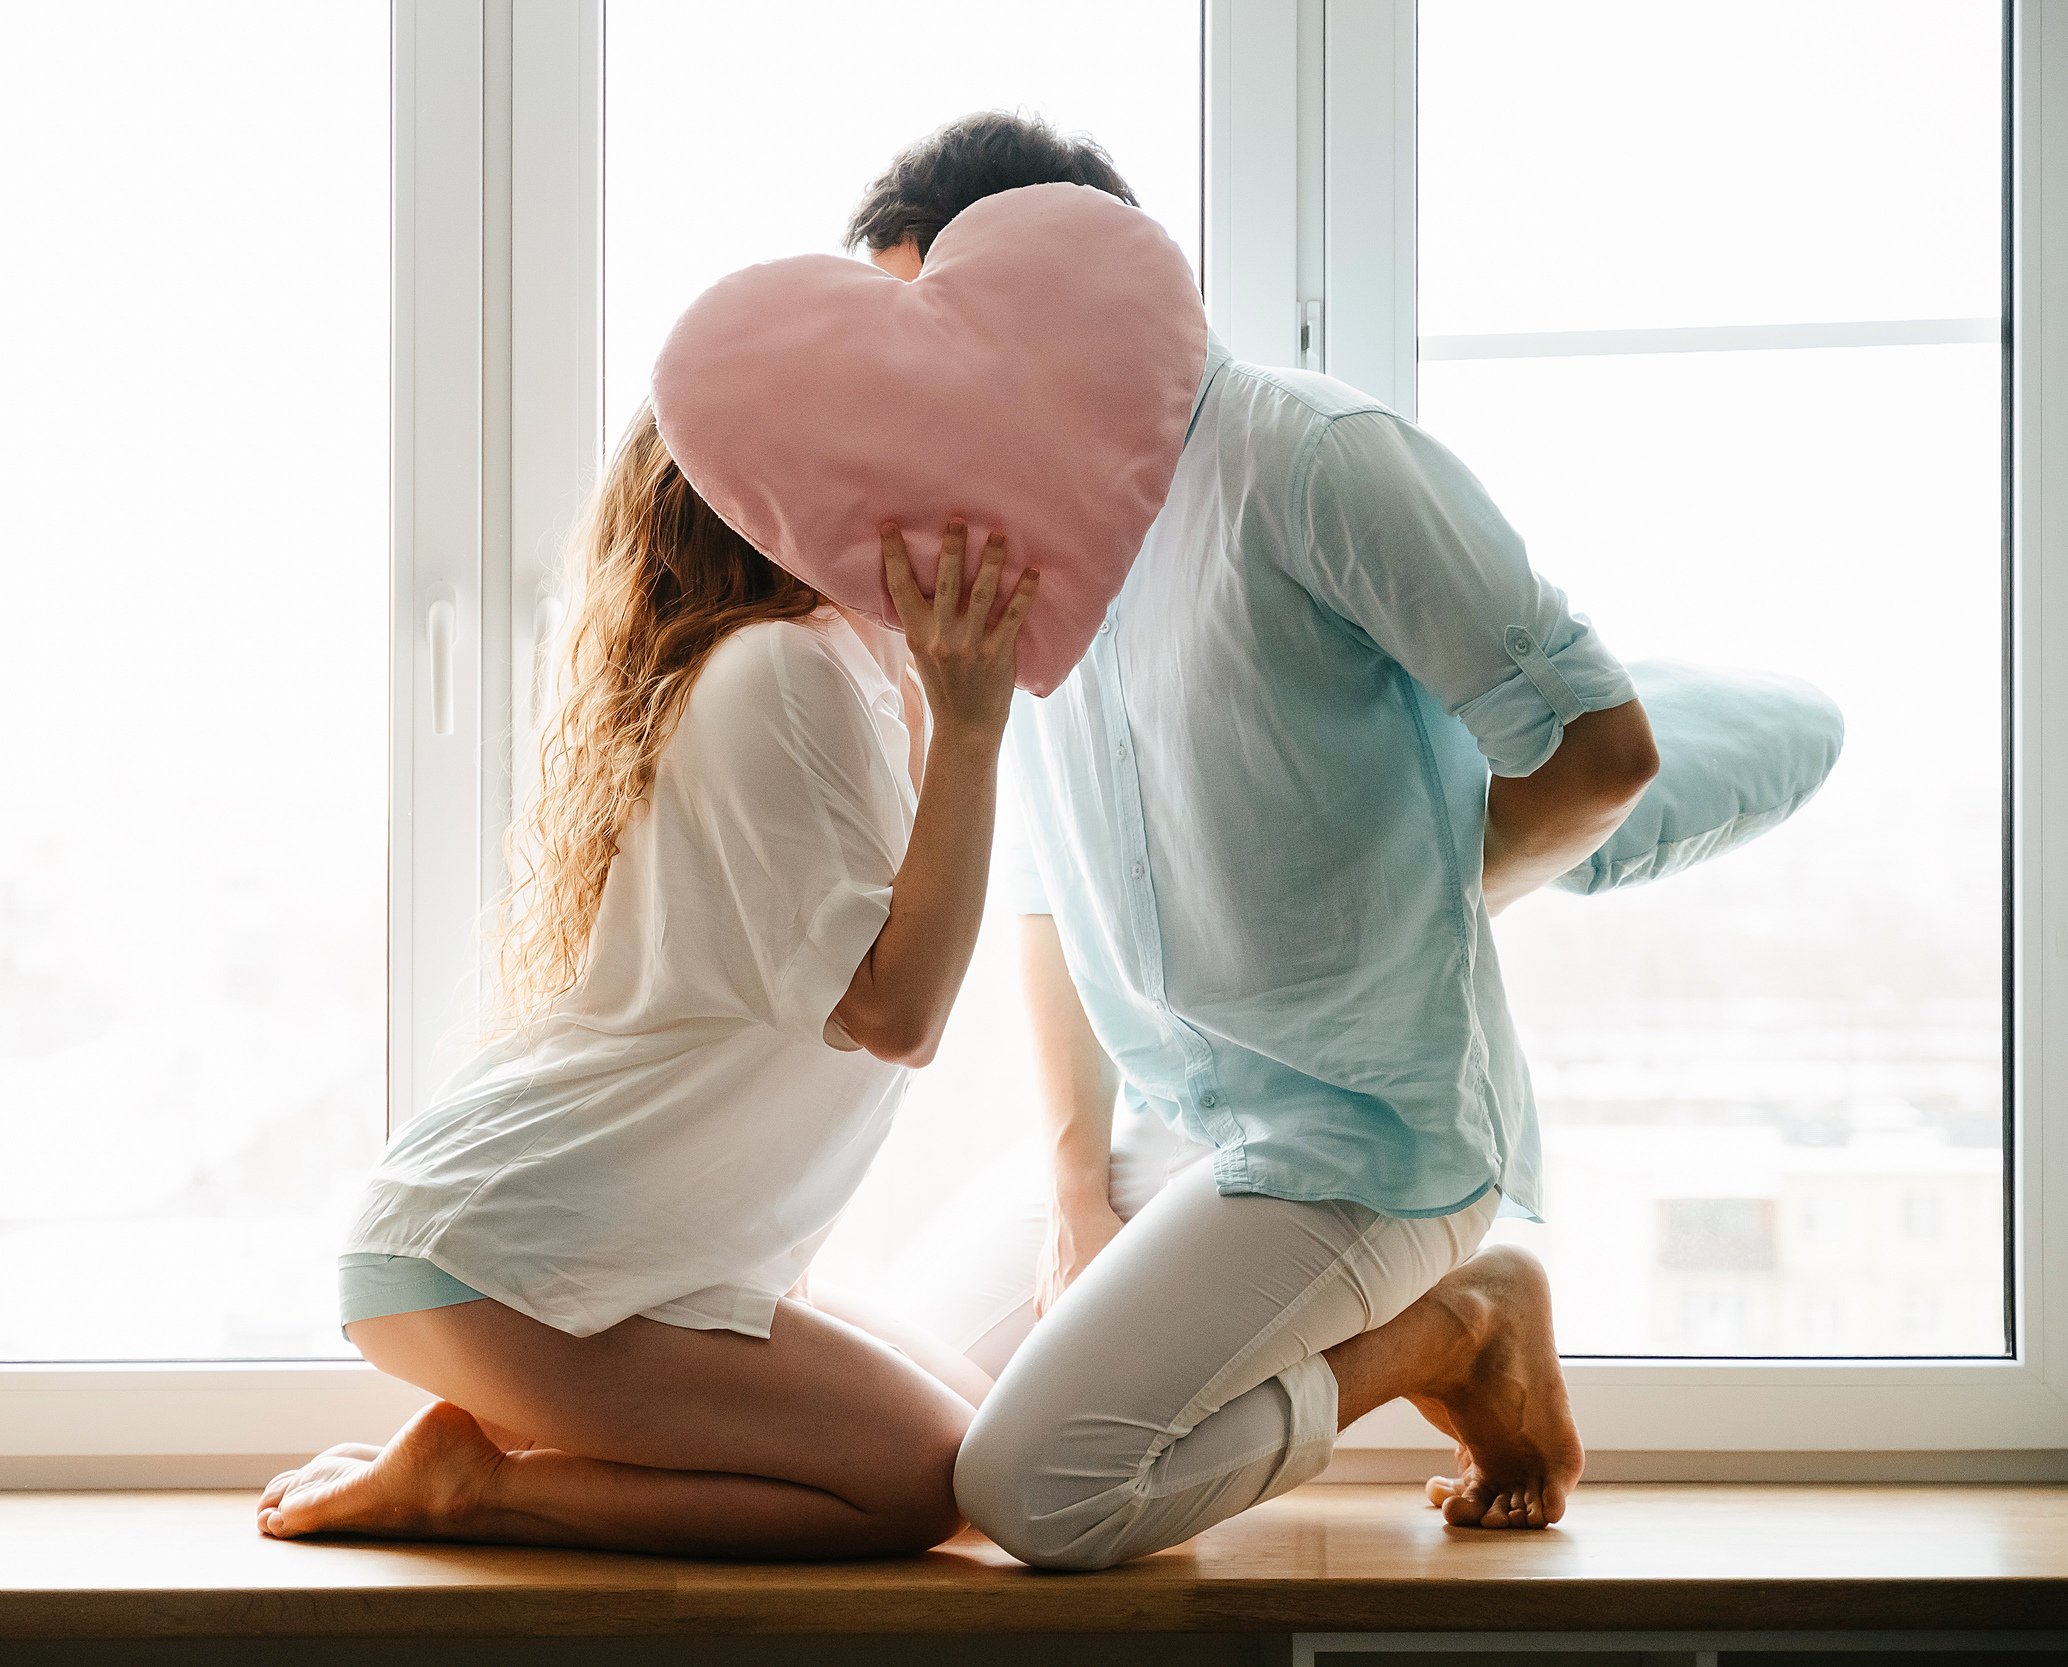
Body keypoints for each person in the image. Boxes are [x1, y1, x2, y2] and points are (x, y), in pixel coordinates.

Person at [846, 114, 1656, 1569]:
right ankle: (1340, 1307)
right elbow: (1051, 886)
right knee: (899, 1435)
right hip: (1171, 1127)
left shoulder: (1312, 459)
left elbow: (1602, 752)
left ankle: (1454, 1327)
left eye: (934, 336)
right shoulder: (1019, 535)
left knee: (1043, 1488)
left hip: (1366, 1132)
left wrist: (1407, 899)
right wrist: (1078, 1183)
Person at [254, 406, 1038, 1559]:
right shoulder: (778, 670)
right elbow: (895, 1010)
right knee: (923, 1485)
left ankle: (501, 1455)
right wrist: (972, 732)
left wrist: (945, 719)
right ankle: (479, 1482)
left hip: (555, 1256)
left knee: (984, 1450)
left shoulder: (831, 675)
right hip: (493, 1259)